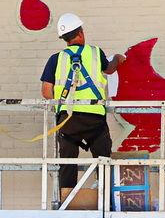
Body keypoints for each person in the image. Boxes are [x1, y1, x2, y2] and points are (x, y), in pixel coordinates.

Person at [40, 12, 126, 190]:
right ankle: (106, 202)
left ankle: (66, 202)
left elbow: (46, 92)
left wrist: (65, 97)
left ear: (64, 38)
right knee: (103, 162)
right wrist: (118, 58)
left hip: (67, 120)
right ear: (80, 32)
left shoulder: (56, 59)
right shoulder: (95, 53)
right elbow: (109, 70)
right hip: (94, 119)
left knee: (67, 163)